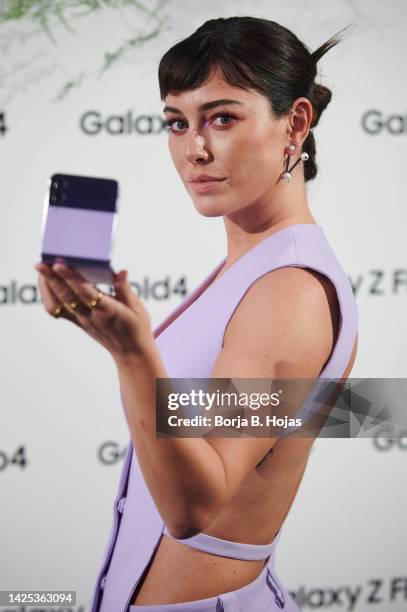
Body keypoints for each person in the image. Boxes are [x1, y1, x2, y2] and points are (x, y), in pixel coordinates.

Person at [35, 16, 359, 612]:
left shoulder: (286, 289)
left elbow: (192, 509)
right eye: (177, 123)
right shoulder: (257, 269)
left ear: (295, 123)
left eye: (223, 118)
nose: (195, 149)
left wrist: (133, 354)